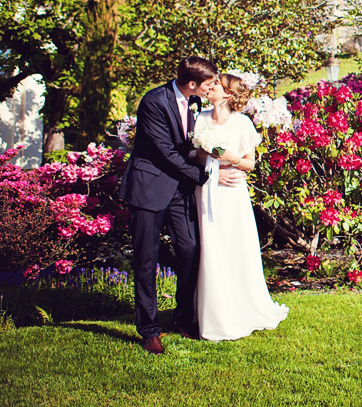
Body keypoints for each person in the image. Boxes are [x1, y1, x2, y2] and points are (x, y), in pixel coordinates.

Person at [119, 56, 243, 355]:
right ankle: (149, 330)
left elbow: (192, 146)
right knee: (146, 261)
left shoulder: (196, 104)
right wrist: (206, 176)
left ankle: (183, 317)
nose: (214, 87)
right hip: (148, 188)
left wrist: (219, 160)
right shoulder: (153, 101)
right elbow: (164, 152)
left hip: (178, 190)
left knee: (190, 249)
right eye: (210, 83)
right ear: (192, 84)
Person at [192, 73, 289, 341]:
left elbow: (249, 164)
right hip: (206, 189)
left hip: (232, 193)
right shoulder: (200, 118)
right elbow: (194, 157)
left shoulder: (241, 123)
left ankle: (240, 309)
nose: (210, 87)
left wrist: (231, 158)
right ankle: (211, 314)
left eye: (216, 85)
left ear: (228, 94)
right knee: (210, 249)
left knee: (234, 247)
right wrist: (208, 163)